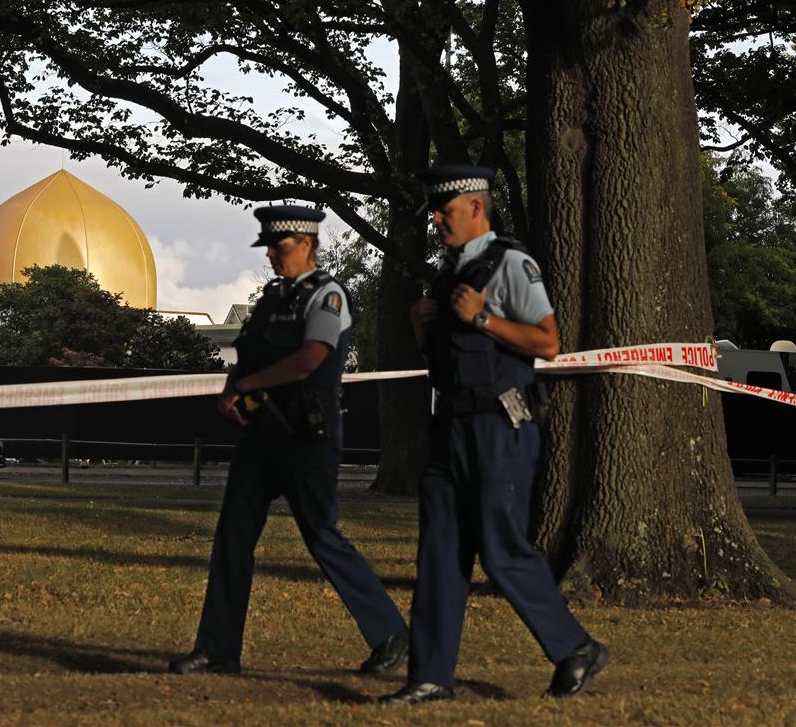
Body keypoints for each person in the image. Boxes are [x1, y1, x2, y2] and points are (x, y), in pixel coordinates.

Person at [381, 165, 608, 704]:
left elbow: (548, 342)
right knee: (438, 553)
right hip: (452, 429)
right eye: (433, 211)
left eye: (445, 210)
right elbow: (447, 362)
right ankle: (431, 676)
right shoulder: (448, 274)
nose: (435, 219)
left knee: (501, 551)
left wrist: (483, 319)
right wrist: (422, 327)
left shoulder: (511, 264)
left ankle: (575, 647)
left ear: (476, 208)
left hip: (499, 429)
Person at [169, 205, 409, 676]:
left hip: (308, 435)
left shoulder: (328, 295)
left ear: (306, 244)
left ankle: (389, 632)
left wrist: (246, 384)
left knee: (322, 537)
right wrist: (230, 388)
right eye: (270, 249)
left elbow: (309, 360)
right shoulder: (272, 297)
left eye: (281, 248)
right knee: (232, 538)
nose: (275, 258)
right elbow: (249, 352)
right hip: (262, 432)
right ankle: (217, 649)